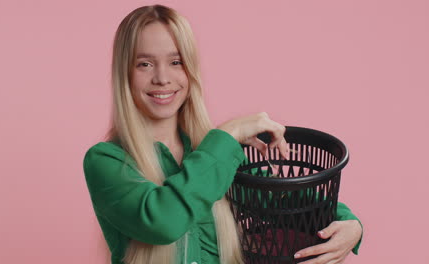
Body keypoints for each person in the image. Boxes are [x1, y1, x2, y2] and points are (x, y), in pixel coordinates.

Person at [82, 4, 363, 264]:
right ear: (125, 74)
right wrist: (229, 134)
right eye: (144, 63)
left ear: (191, 70)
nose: (162, 78)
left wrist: (350, 224)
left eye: (176, 62)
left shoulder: (217, 153)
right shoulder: (106, 161)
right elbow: (163, 221)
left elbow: (284, 201)